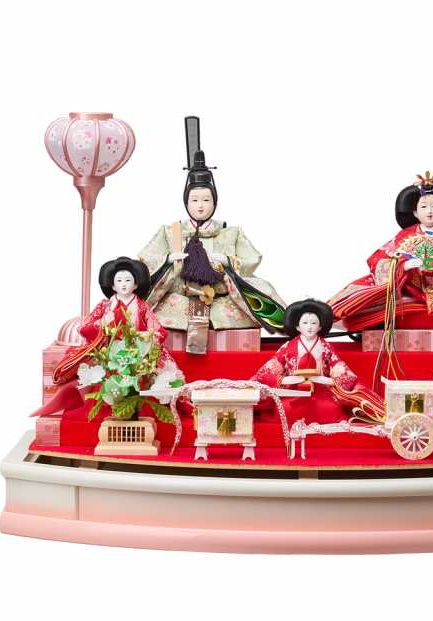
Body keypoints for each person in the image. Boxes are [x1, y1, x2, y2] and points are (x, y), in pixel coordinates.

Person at [138, 117, 284, 353]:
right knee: (153, 316)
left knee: (259, 292)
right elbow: (146, 260)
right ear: (186, 202)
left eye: (206, 199)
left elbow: (252, 259)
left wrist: (229, 262)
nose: (200, 205)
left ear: (215, 202)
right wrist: (167, 260)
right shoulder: (171, 232)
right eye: (194, 200)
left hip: (220, 300)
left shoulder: (231, 233)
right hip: (179, 300)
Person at [328, 172, 433, 331]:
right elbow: (378, 260)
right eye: (423, 207)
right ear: (415, 212)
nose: (429, 211)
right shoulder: (404, 237)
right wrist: (403, 266)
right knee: (365, 294)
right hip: (409, 288)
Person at [34, 257, 181, 416]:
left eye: (128, 280)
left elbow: (158, 329)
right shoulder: (105, 306)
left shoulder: (141, 306)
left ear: (136, 284)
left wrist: (147, 335)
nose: (123, 284)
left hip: (136, 351)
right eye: (119, 280)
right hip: (110, 349)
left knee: (158, 370)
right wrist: (103, 322)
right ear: (112, 285)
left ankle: (141, 407)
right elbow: (84, 327)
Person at [252, 299, 384, 424]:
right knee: (284, 408)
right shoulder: (288, 347)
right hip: (294, 392)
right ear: (297, 326)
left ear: (320, 326)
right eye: (305, 323)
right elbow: (267, 373)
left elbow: (345, 375)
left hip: (320, 393)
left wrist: (325, 380)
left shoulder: (325, 347)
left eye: (313, 323)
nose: (309, 327)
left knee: (332, 409)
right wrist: (286, 380)